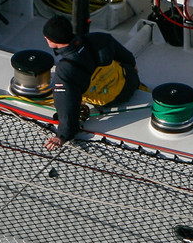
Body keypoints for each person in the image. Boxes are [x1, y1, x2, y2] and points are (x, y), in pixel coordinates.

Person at [42, 16, 141, 151]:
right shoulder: (99, 38)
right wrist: (133, 70)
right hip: (130, 80)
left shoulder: (64, 71)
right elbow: (127, 58)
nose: (45, 38)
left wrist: (62, 135)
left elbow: (67, 105)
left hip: (110, 100)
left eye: (47, 37)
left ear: (53, 41)